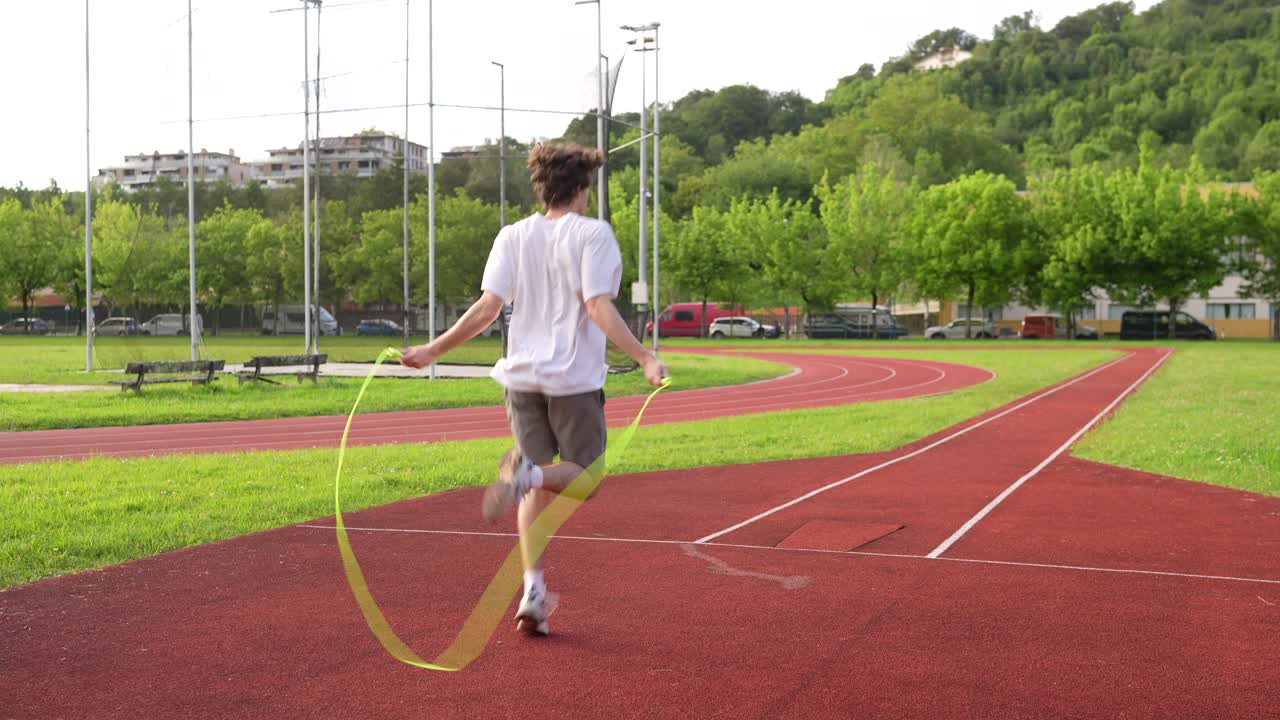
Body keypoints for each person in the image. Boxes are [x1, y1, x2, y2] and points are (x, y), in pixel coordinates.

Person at [400, 143, 668, 636]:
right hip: (571, 379)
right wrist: (646, 356)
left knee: (536, 482)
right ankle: (528, 485)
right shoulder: (594, 235)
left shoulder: (513, 235)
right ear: (583, 189)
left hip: (520, 378)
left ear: (543, 188)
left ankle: (533, 590)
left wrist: (432, 351)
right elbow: (598, 307)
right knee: (585, 478)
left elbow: (486, 309)